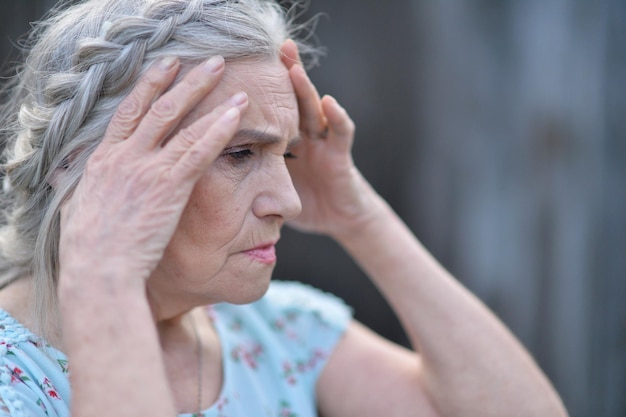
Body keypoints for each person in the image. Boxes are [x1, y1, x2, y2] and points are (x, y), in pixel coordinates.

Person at [0, 0, 569, 416]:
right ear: (87, 171)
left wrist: (359, 217)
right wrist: (103, 276)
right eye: (241, 153)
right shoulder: (13, 383)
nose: (289, 201)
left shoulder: (275, 334)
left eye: (287, 153)